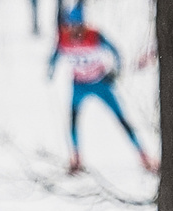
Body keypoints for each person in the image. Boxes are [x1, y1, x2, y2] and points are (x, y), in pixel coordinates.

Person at [50, 13, 155, 174]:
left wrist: (115, 71)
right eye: (71, 26)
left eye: (78, 26)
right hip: (79, 85)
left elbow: (116, 51)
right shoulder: (63, 39)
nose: (75, 31)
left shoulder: (94, 36)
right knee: (73, 121)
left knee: (121, 119)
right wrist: (50, 70)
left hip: (100, 83)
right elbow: (55, 56)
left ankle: (144, 156)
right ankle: (75, 159)